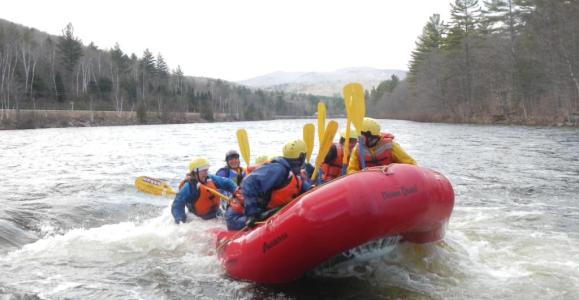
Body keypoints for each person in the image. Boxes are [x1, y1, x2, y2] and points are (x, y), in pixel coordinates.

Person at [225, 140, 314, 230]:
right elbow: (248, 183)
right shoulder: (278, 169)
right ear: (302, 156)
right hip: (237, 216)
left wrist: (313, 189)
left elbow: (303, 186)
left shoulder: (292, 172)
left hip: (265, 211)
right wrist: (252, 213)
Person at [171, 157, 237, 223]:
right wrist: (181, 222)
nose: (206, 173)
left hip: (217, 214)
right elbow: (176, 206)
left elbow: (227, 182)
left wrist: (237, 190)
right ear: (195, 172)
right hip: (200, 220)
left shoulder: (210, 178)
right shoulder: (189, 187)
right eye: (203, 170)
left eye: (206, 170)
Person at [347, 117, 416, 174]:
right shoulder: (357, 149)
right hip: (368, 181)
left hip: (389, 177)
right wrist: (359, 174)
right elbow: (351, 170)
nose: (358, 137)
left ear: (370, 136)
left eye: (360, 135)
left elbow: (410, 164)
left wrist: (393, 168)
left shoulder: (390, 145)